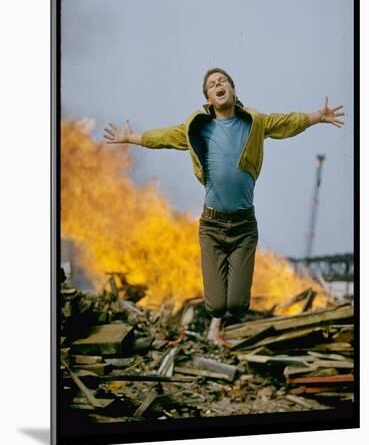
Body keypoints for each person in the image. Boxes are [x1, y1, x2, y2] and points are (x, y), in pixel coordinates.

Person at [103, 68, 345, 345]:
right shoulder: (198, 127)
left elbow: (287, 122)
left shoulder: (255, 122)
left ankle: (234, 283)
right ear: (208, 98)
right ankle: (219, 298)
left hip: (243, 227)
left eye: (223, 82)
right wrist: (131, 138)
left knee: (239, 306)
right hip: (212, 227)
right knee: (217, 306)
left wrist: (318, 117)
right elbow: (165, 138)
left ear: (233, 90)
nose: (218, 85)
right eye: (212, 85)